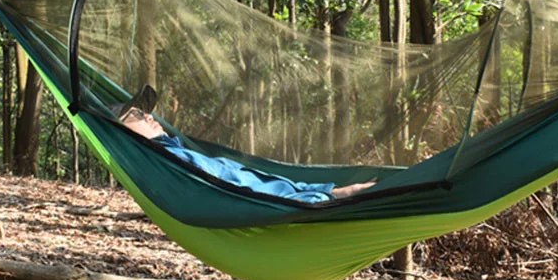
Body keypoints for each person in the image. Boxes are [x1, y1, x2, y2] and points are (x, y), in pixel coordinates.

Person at [115, 104, 376, 202]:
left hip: (306, 196)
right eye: (136, 114)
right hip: (299, 207)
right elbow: (246, 196)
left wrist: (334, 191)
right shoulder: (174, 163)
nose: (149, 116)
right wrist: (324, 200)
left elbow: (252, 181)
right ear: (123, 132)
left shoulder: (177, 153)